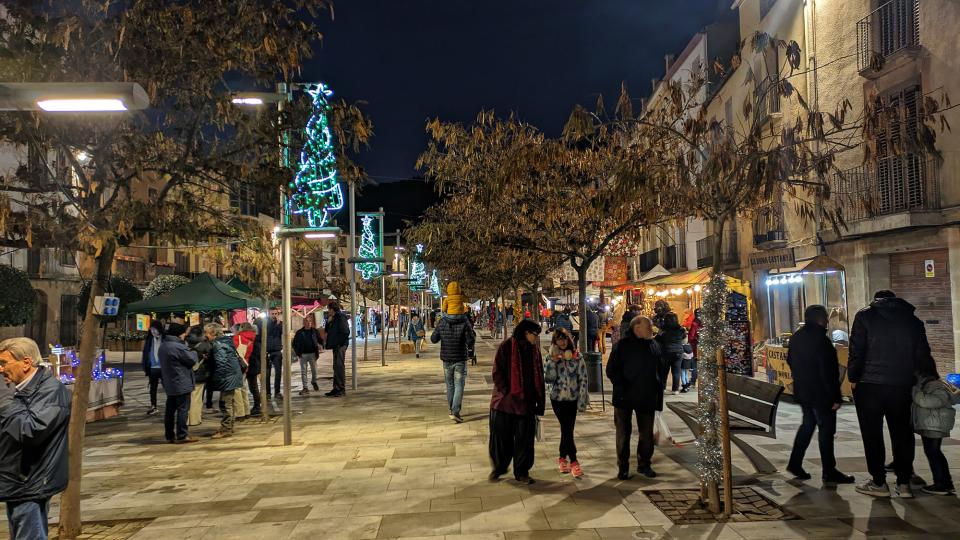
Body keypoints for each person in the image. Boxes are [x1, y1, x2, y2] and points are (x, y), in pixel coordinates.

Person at [848, 290, 936, 498]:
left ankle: (879, 482)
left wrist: (853, 378)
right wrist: (930, 378)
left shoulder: (864, 316)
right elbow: (923, 354)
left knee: (872, 435)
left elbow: (856, 351)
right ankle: (904, 483)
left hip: (869, 386)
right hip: (902, 385)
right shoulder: (913, 321)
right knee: (903, 434)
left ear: (875, 301)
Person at [0, 338, 71, 540]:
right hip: (16, 480)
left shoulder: (51, 391)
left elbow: (30, 431)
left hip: (30, 481)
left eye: (4, 363)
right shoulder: (17, 389)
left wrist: (5, 400)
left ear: (26, 362)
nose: (1, 369)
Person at [785, 305, 856, 485]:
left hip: (804, 391)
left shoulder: (797, 337)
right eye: (825, 316)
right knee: (826, 431)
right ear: (818, 319)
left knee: (807, 425)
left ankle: (795, 463)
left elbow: (790, 360)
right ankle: (829, 470)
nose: (827, 320)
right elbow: (828, 371)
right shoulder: (821, 340)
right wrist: (835, 396)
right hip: (821, 394)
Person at [606, 316, 667, 480]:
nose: (651, 328)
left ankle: (644, 464)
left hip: (647, 397)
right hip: (624, 397)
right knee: (623, 434)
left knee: (646, 434)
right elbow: (611, 370)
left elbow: (661, 371)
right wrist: (622, 385)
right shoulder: (622, 346)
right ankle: (623, 467)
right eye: (648, 326)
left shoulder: (654, 345)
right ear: (637, 328)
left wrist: (658, 390)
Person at [489, 319, 545, 484]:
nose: (536, 338)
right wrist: (506, 391)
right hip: (505, 403)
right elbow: (497, 372)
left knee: (525, 440)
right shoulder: (506, 347)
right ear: (526, 333)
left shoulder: (535, 351)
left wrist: (539, 400)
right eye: (535, 334)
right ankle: (499, 467)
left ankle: (522, 471)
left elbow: (539, 375)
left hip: (526, 403)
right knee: (501, 439)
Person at [544, 328, 589, 478]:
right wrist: (552, 362)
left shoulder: (577, 357)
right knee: (567, 428)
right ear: (554, 342)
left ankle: (562, 458)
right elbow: (548, 379)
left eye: (564, 339)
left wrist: (582, 399)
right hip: (557, 399)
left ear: (568, 340)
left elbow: (583, 379)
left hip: (573, 398)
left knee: (567, 429)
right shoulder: (550, 357)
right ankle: (574, 461)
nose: (562, 342)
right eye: (559, 339)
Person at [912, 371, 959, 495]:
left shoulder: (935, 386)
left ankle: (940, 484)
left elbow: (931, 401)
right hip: (931, 423)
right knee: (935, 453)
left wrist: (915, 392)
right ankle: (946, 483)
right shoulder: (931, 385)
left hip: (934, 425)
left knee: (933, 453)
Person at [431, 308, 476, 423]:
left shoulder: (442, 321)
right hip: (460, 357)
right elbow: (471, 341)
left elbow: (433, 339)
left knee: (450, 385)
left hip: (446, 358)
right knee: (459, 384)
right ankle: (455, 411)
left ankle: (453, 410)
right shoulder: (464, 320)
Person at [159, 322, 199, 444]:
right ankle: (182, 434)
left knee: (170, 410)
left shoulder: (163, 346)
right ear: (179, 334)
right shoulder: (178, 347)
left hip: (169, 382)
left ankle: (169, 434)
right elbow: (192, 359)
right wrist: (194, 351)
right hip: (181, 381)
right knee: (183, 409)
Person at [205, 323, 245, 438]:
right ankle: (228, 427)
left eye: (206, 333)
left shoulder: (218, 345)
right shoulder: (227, 341)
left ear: (213, 333)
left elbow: (221, 363)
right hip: (232, 375)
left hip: (227, 377)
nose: (205, 335)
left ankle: (226, 429)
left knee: (225, 404)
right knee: (228, 403)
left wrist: (218, 379)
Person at [185, 325, 212, 427]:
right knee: (197, 397)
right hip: (200, 373)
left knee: (188, 397)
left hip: (187, 373)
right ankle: (195, 419)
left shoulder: (186, 342)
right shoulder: (205, 344)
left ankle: (187, 419)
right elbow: (210, 357)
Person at [324, 301, 350, 397]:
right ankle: (336, 388)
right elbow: (327, 330)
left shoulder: (341, 317)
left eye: (328, 309)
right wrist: (328, 321)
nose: (328, 311)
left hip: (340, 346)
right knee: (336, 367)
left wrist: (340, 343)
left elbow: (346, 332)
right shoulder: (333, 318)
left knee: (339, 367)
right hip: (336, 346)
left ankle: (341, 389)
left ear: (332, 309)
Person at [656, 313, 686, 394]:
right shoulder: (681, 329)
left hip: (666, 352)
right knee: (676, 371)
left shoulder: (663, 329)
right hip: (678, 352)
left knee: (664, 371)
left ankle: (663, 388)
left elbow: (657, 339)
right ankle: (675, 390)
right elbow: (684, 337)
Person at [232, 322, 256, 417]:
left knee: (237, 389)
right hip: (245, 365)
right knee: (243, 388)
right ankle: (247, 410)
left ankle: (240, 413)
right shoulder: (251, 338)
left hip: (237, 366)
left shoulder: (238, 338)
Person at [293, 316, 322, 395]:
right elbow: (294, 344)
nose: (309, 323)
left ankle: (314, 381)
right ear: (304, 323)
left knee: (314, 370)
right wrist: (298, 353)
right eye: (307, 321)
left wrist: (321, 345)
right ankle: (305, 387)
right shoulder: (299, 332)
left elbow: (320, 340)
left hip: (313, 354)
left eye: (310, 322)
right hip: (303, 355)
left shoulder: (314, 331)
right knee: (303, 371)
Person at [141, 320, 165, 415]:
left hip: (164, 367)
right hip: (153, 368)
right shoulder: (149, 339)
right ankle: (153, 406)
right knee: (153, 388)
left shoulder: (165, 339)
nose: (153, 332)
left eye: (155, 329)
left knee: (167, 387)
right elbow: (145, 352)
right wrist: (145, 365)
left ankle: (172, 404)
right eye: (151, 330)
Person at [242, 322, 263, 417]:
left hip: (248, 365)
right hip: (252, 365)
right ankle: (256, 406)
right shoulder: (255, 338)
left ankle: (257, 406)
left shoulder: (246, 339)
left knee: (252, 387)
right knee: (253, 387)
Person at [263, 308, 283, 400]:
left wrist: (279, 325)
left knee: (278, 372)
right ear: (268, 314)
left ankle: (277, 392)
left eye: (276, 313)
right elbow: (269, 332)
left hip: (277, 351)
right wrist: (276, 325)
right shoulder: (265, 323)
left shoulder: (279, 323)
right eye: (272, 313)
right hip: (267, 351)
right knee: (267, 373)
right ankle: (268, 393)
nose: (274, 315)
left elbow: (283, 332)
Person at [684, 309, 702, 392]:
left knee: (695, 365)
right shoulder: (705, 324)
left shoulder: (695, 324)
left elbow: (691, 337)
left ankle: (693, 382)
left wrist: (690, 342)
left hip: (696, 347)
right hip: (703, 346)